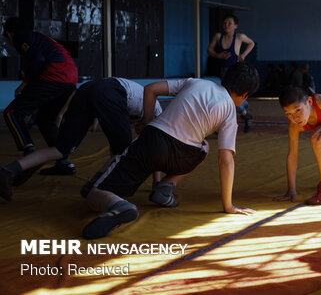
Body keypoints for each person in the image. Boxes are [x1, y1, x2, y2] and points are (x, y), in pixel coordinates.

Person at [73, 62, 259, 239]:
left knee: (93, 195)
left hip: (153, 143)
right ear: (245, 95)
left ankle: (119, 205)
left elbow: (151, 89)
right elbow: (226, 160)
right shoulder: (229, 113)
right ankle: (166, 186)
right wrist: (228, 205)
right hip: (183, 157)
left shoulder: (196, 82)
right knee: (204, 147)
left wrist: (146, 122)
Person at [0, 78, 163, 200]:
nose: (137, 130)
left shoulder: (142, 105)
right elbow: (153, 149)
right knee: (123, 151)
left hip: (88, 90)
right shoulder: (158, 113)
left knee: (61, 149)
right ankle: (95, 184)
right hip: (109, 92)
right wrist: (157, 183)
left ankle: (9, 170)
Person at [2, 17, 77, 163]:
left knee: (11, 113)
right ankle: (64, 163)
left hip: (56, 74)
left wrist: (25, 84)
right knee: (46, 120)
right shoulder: (38, 38)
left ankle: (28, 151)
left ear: (9, 33)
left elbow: (38, 60)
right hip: (70, 78)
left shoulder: (20, 37)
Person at [207, 14, 255, 132]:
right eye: (224, 23)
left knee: (230, 97)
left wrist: (243, 55)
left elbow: (251, 43)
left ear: (236, 26)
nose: (226, 25)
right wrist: (218, 55)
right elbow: (209, 50)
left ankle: (237, 117)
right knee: (225, 97)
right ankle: (245, 114)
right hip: (223, 71)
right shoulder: (218, 36)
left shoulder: (239, 37)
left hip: (235, 71)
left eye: (229, 23)